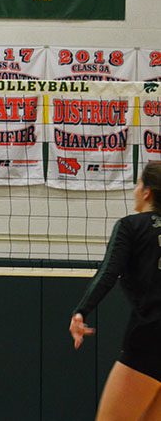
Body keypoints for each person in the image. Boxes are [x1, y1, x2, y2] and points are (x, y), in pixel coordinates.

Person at [69, 161, 161, 420]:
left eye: (139, 184)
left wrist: (81, 311)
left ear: (147, 192)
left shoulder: (131, 226)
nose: (135, 190)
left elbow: (108, 272)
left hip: (150, 337)